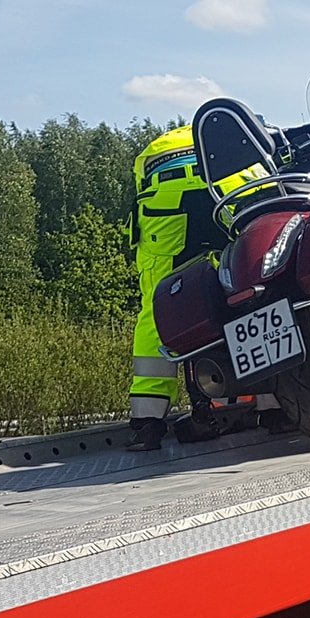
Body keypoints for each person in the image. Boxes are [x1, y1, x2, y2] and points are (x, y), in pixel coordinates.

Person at [126, 124, 206, 450]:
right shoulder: (236, 128)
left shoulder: (159, 145)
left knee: (158, 306)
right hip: (230, 190)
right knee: (247, 290)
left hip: (164, 201)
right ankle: (272, 408)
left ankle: (147, 423)